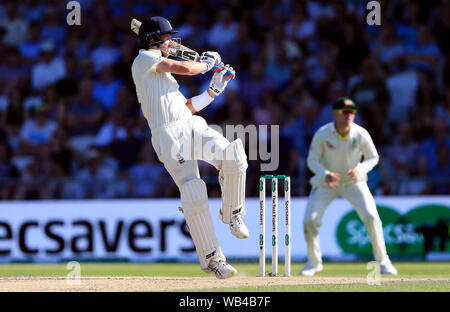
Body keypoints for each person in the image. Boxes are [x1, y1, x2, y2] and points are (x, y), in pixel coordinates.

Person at [131, 16, 249, 279]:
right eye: (167, 37)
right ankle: (213, 260)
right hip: (167, 137)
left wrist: (214, 91)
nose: (171, 42)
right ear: (152, 40)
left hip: (189, 124)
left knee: (234, 154)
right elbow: (183, 68)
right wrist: (206, 64)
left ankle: (232, 212)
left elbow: (186, 107)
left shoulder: (162, 74)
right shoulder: (144, 61)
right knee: (193, 192)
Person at [300, 97, 398, 276]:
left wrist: (360, 170)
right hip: (326, 183)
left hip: (354, 182)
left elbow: (373, 157)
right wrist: (325, 174)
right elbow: (311, 160)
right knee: (310, 221)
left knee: (371, 217)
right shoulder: (322, 134)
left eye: (352, 112)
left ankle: (383, 262)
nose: (349, 115)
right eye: (345, 112)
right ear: (335, 114)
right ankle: (314, 263)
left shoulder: (360, 133)